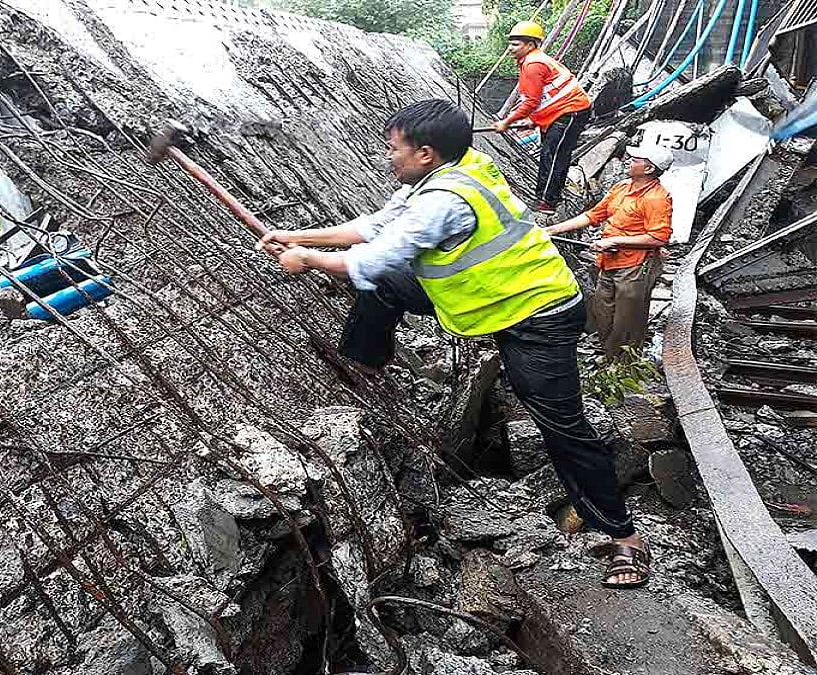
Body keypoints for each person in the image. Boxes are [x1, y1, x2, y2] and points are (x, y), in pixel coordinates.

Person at [257, 100, 650, 588]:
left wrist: (308, 261)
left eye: (392, 149)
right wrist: (295, 235)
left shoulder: (444, 201)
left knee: (561, 427)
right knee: (382, 289)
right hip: (491, 300)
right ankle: (363, 370)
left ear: (424, 152)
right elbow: (372, 229)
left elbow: (373, 260)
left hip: (537, 315)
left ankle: (625, 540)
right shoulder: (450, 170)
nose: (387, 157)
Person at [548, 145, 674, 362]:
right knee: (602, 311)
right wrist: (552, 229)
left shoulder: (656, 199)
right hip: (609, 262)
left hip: (635, 267)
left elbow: (659, 237)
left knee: (628, 321)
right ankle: (609, 356)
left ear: (649, 168)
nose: (628, 160)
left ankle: (624, 366)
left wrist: (614, 240)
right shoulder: (622, 187)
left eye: (635, 159)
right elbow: (593, 215)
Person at [493, 21, 592, 214]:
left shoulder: (533, 64)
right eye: (510, 43)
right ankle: (547, 197)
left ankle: (547, 202)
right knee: (554, 155)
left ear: (530, 45)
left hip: (570, 111)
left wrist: (506, 122)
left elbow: (530, 102)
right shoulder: (532, 61)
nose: (510, 48)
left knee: (553, 156)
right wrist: (535, 120)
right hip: (564, 110)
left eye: (516, 44)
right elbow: (546, 97)